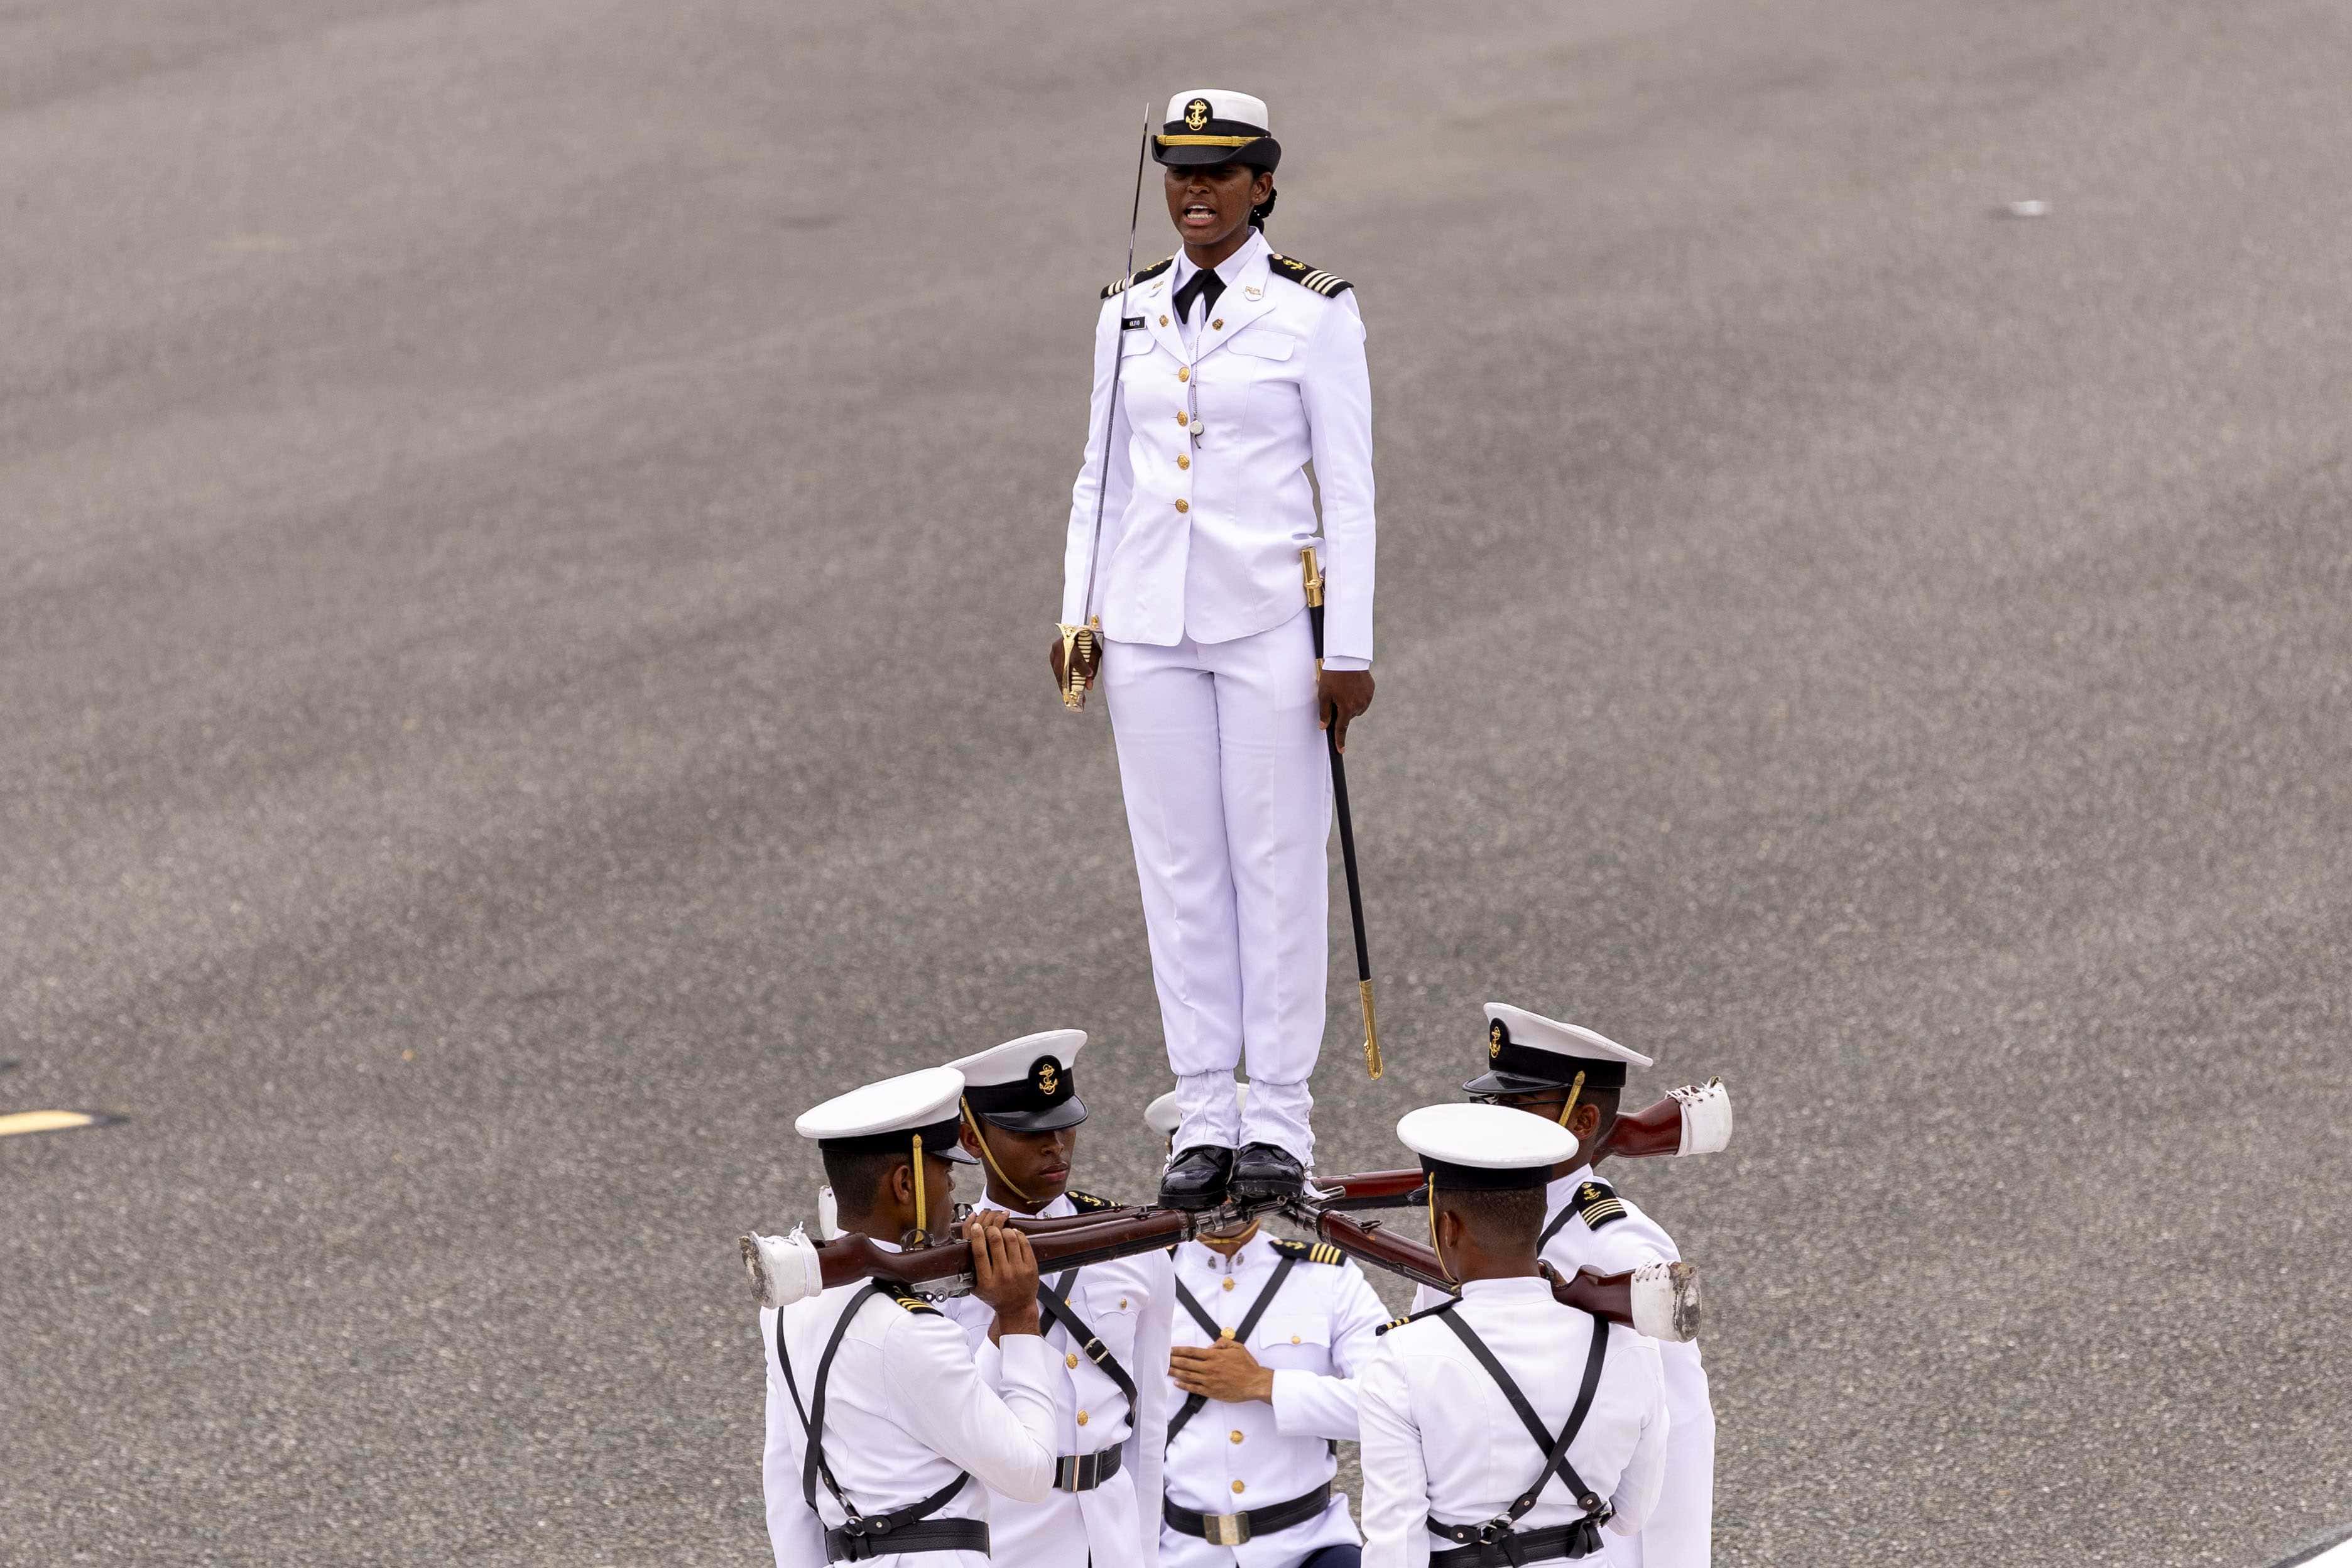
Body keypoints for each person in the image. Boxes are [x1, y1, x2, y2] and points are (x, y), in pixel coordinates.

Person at [1054, 87, 1380, 1211]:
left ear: (1262, 185)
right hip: (1148, 620)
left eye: (1217, 173)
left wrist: (1351, 645)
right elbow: (1102, 474)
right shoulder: (1127, 311)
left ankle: (1276, 1117)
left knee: (1274, 860)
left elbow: (1349, 490)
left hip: (1263, 621)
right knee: (1179, 869)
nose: (1192, 192)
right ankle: (1202, 1109)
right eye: (1177, 173)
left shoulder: (1312, 313)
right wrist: (1076, 612)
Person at [1432, 1004, 1717, 1568]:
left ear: (1583, 1122)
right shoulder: (1465, 1212)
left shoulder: (1620, 1247)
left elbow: (1678, 1422)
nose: (1495, 1120)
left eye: (1517, 1106)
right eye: (1492, 1103)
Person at [761, 1066, 1061, 1567]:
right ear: (906, 1185)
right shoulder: (909, 1327)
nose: (952, 1197)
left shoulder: (791, 1304)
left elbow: (790, 1483)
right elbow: (1031, 1474)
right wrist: (1019, 1316)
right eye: (946, 1175)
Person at [1356, 1104, 1670, 1568]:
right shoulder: (1630, 1344)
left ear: (1447, 1227)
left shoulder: (1403, 1358)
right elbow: (1630, 1516)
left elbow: (1396, 1550)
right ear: (1538, 1218)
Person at [937, 1032, 1173, 1567]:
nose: (1056, 1145)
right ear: (972, 1140)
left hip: (1112, 1534)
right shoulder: (943, 1262)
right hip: (1006, 1535)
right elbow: (950, 1420)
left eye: (1064, 1124)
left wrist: (1143, 1549)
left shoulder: (1132, 1244)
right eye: (1029, 1131)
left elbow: (1149, 1423)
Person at [1148, 1085, 1388, 1568]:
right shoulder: (1143, 1280)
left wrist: (1266, 1385)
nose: (1226, 1194)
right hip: (1182, 1553)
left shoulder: (1327, 1276)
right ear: (1175, 1165)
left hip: (1310, 1548)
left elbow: (1392, 1405)